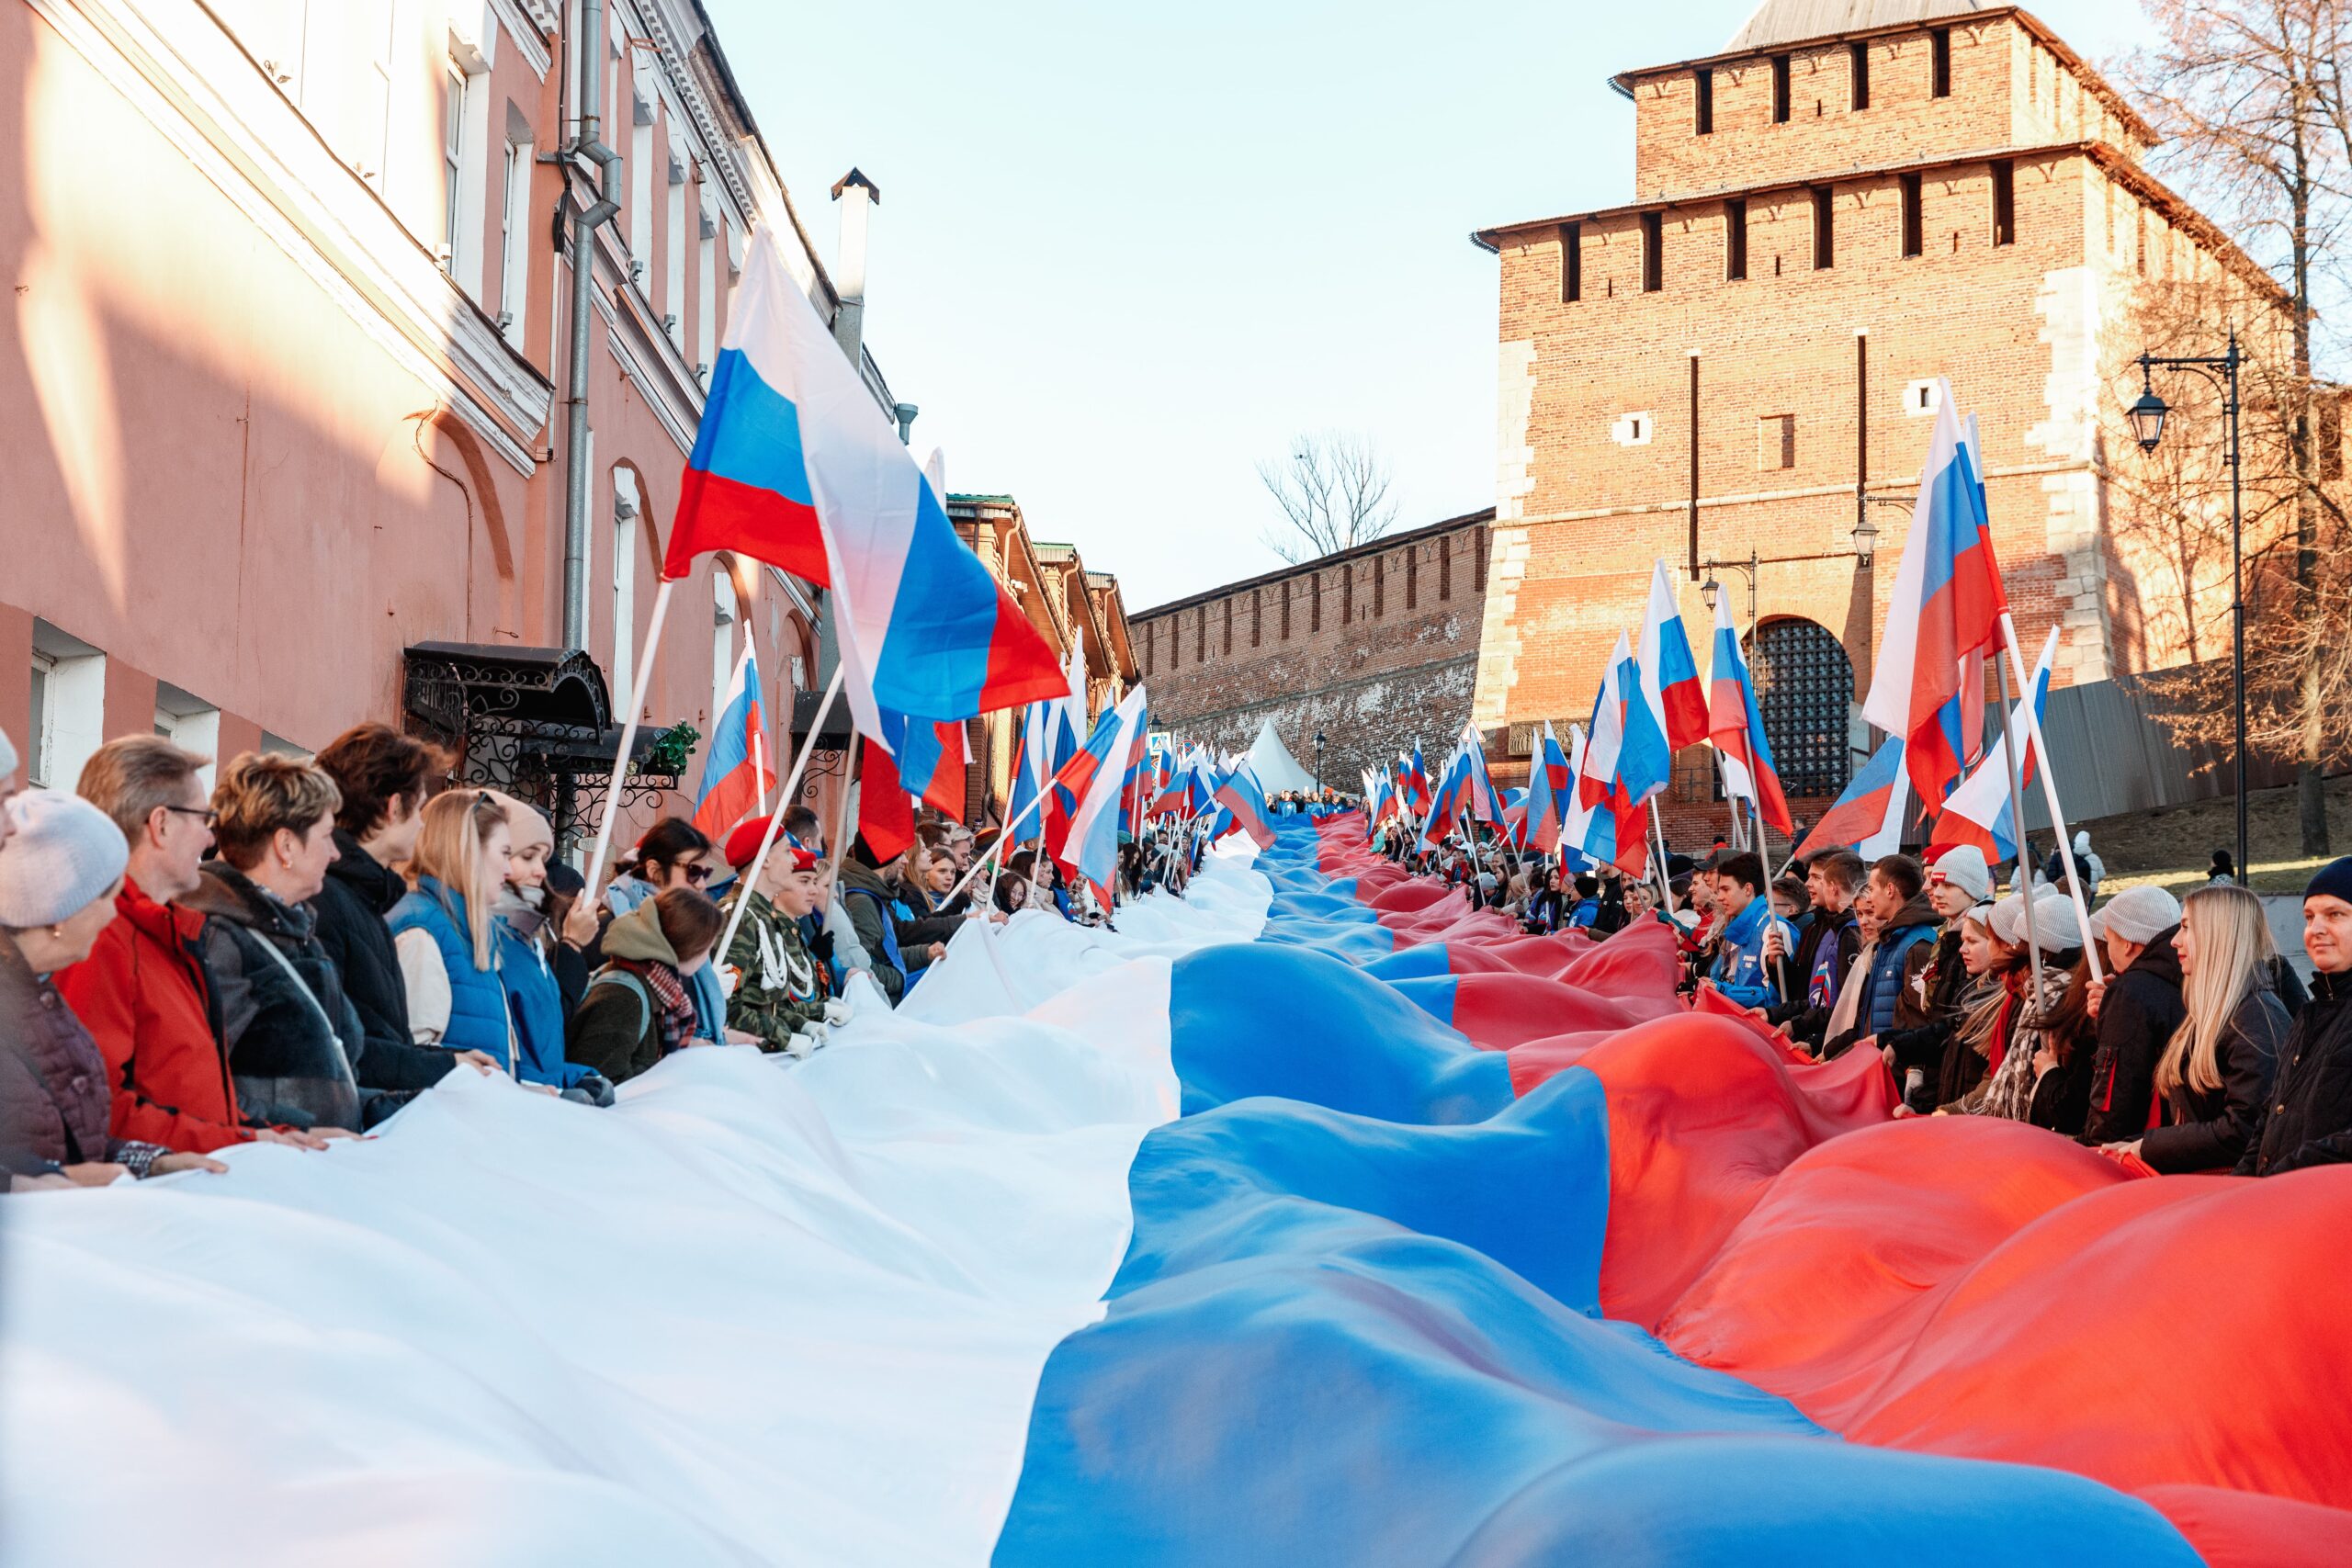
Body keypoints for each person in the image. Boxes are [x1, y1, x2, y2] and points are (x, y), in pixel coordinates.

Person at [58, 739, 326, 1154]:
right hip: (155, 1190)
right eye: (203, 818)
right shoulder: (100, 937)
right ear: (161, 824)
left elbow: (197, 1098)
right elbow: (98, 1114)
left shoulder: (167, 933)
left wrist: (279, 1134)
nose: (209, 837)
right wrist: (242, 1140)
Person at [1, 789, 228, 1187]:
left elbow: (79, 1140)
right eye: (108, 895)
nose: (113, 912)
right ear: (61, 910)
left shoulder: (44, 997)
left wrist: (151, 1161)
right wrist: (38, 1180)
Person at [182, 753, 379, 1132]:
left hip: (311, 1159)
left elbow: (332, 1087)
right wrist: (294, 1131)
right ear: (286, 845)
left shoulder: (295, 931)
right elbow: (195, 1090)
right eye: (326, 836)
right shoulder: (222, 939)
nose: (336, 853)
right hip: (265, 1165)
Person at [2099, 885, 2288, 1172]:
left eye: (2186, 927)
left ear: (2217, 935)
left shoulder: (2255, 1019)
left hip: (2224, 1187)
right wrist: (2137, 1144)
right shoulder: (2218, 1010)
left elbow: (2244, 1130)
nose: (2175, 941)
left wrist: (2149, 1146)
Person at [308, 724, 442, 1072]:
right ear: (394, 807)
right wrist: (447, 1067)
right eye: (419, 809)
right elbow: (336, 1048)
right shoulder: (325, 899)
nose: (422, 825)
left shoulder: (366, 896)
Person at [2236, 858, 2352, 1175]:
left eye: (2335, 914)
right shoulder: (2311, 1012)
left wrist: (2288, 1176)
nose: (2316, 929)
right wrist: (2239, 1187)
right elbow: (2270, 1116)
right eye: (2309, 917)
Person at [488, 798, 610, 1098]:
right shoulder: (488, 935)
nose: (541, 872)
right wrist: (571, 944)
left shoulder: (524, 932)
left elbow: (544, 1037)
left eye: (543, 859)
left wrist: (576, 1077)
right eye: (528, 856)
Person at [1943, 892, 2085, 1122]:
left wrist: (2050, 1074)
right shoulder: (2025, 993)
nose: (1963, 949)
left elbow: (2063, 1100)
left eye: (1988, 939)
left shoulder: (2045, 1000)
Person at [567, 886, 725, 1085]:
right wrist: (677, 1067)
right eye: (708, 946)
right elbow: (600, 1079)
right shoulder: (623, 997)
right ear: (692, 945)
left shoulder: (657, 986)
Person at [1881, 846, 1994, 1104]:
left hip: (1963, 1082)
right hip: (1942, 1070)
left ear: (1971, 889)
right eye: (1935, 883)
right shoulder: (1947, 936)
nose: (1935, 891)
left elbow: (1955, 1025)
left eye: (1948, 885)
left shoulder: (1976, 943)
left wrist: (1904, 1048)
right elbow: (1933, 1013)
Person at [2078, 885, 2188, 1147]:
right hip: (2174, 1139)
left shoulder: (2130, 993)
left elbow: (2115, 1095)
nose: (2108, 949)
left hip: (2136, 1146)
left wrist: (2093, 1147)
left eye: (2109, 940)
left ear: (2128, 943)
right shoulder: (2186, 975)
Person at [719, 825, 841, 1054]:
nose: (794, 860)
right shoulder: (737, 918)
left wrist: (801, 1023)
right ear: (765, 859)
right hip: (748, 1057)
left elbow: (771, 1003)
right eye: (787, 852)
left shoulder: (763, 916)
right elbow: (725, 1008)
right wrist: (785, 1037)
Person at [1826, 855, 1939, 1059]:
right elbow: (1868, 1021)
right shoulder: (1890, 941)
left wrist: (1912, 1070)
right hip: (1879, 1063)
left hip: (1895, 1068)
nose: (1869, 898)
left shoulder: (1917, 945)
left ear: (1890, 890)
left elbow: (1918, 1022)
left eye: (1872, 888)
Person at [1704, 852, 1797, 1010]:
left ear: (1748, 889)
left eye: (1726, 889)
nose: (1719, 897)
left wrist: (1722, 990)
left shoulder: (1774, 929)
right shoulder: (1736, 928)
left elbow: (1777, 1000)